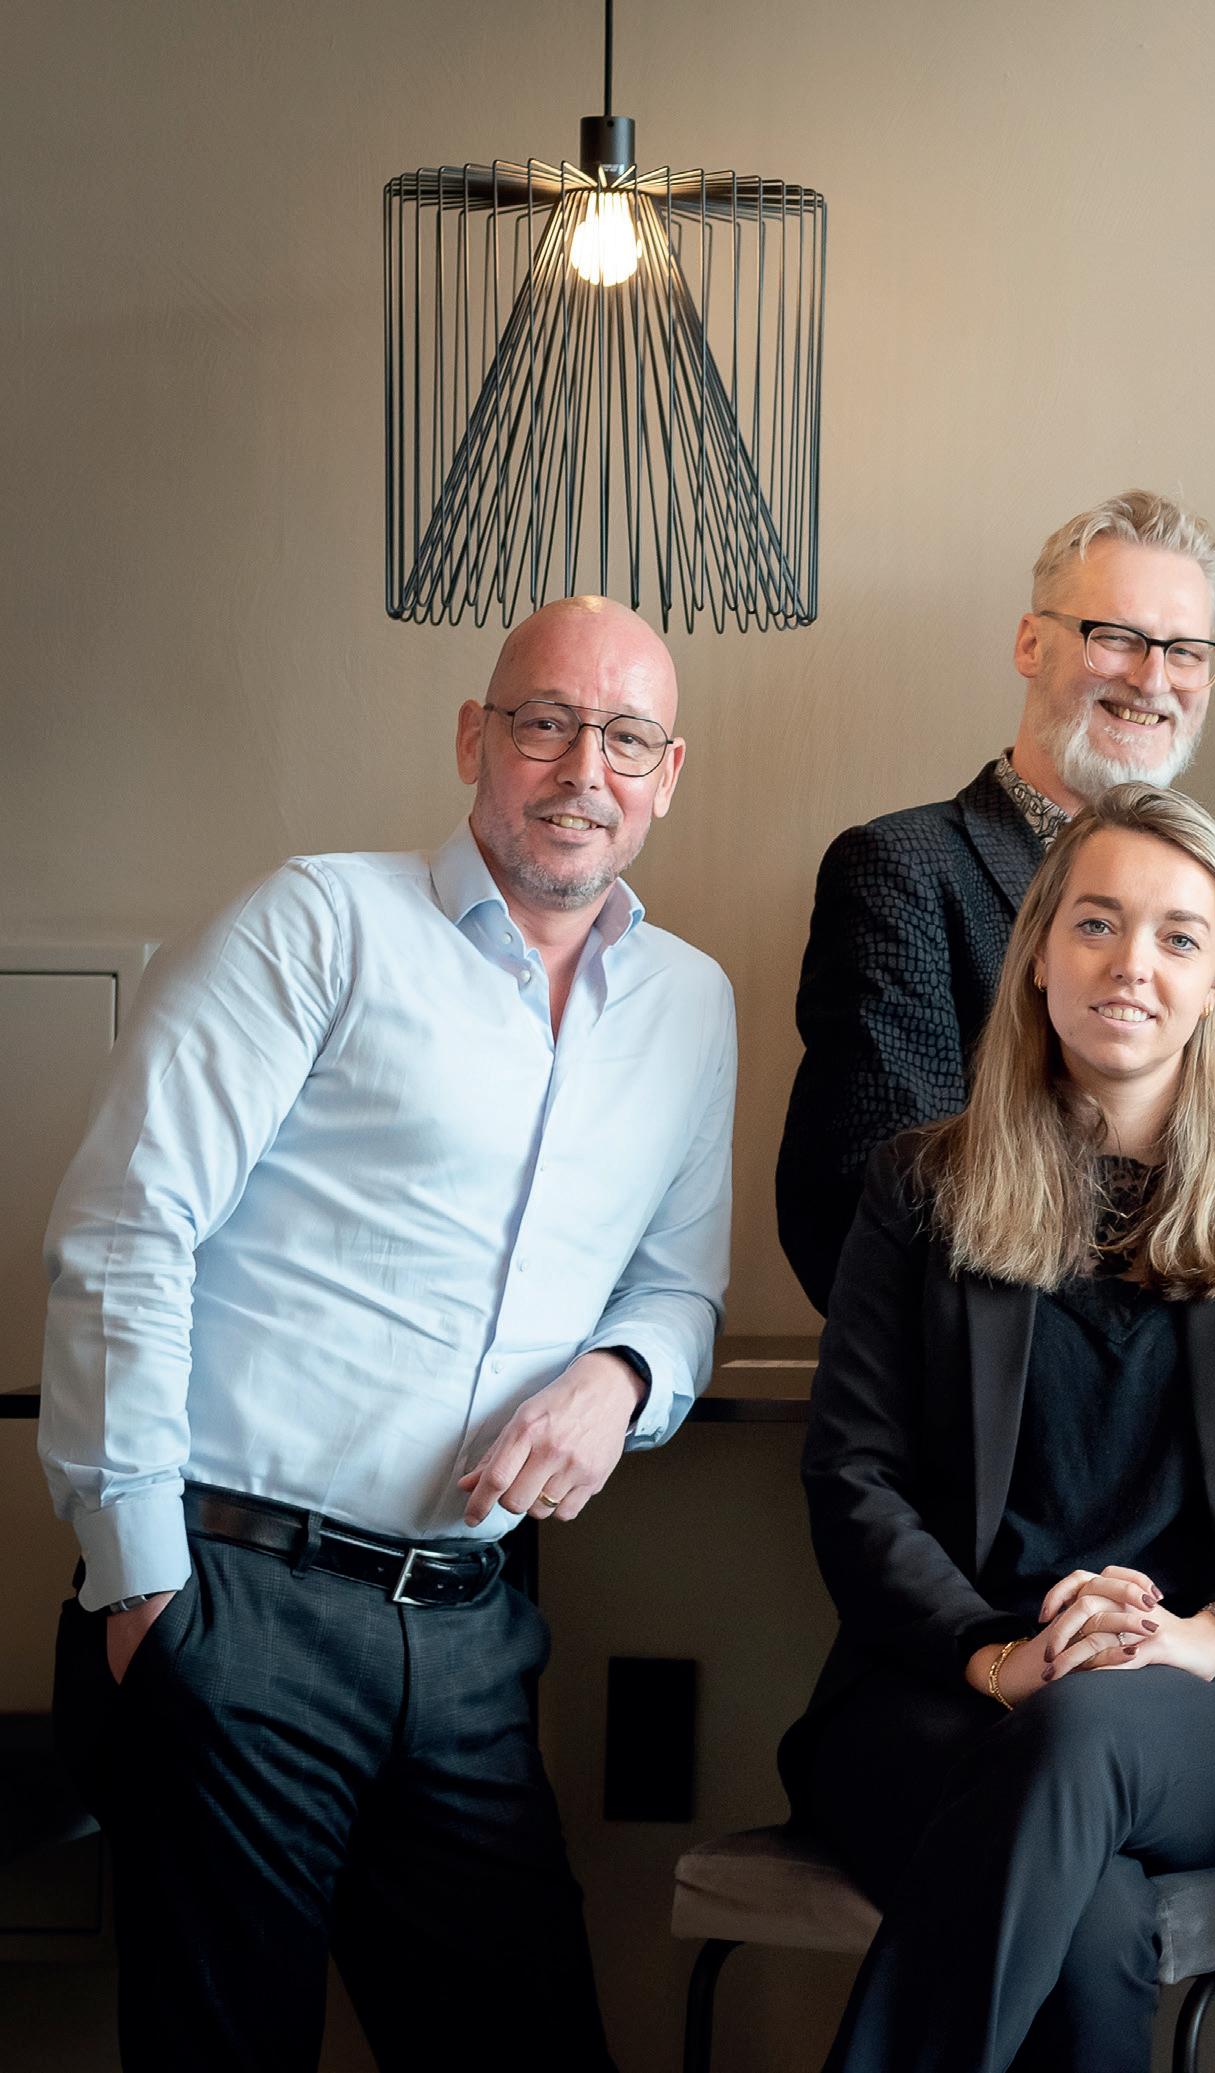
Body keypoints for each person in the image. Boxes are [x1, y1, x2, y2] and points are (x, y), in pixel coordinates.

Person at [39, 596, 735, 2071]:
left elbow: (679, 1288)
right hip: (235, 1597)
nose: (583, 771)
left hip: (472, 1631)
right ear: (476, 737)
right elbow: (126, 1228)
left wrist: (620, 1378)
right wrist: (144, 1589)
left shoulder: (690, 1005)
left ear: (669, 774)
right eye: (545, 724)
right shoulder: (319, 922)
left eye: (625, 739)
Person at [780, 783, 1215, 2073]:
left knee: (1087, 1732)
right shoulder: (918, 1188)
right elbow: (853, 1474)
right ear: (1040, 955)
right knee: (1093, 1914)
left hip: (1198, 1705)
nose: (1132, 965)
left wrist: (1209, 1638)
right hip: (940, 1693)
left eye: (1179, 936)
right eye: (1097, 924)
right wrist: (996, 1655)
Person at [776, 489, 1215, 1309]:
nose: (1152, 678)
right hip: (972, 1372)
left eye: (1185, 651)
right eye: (1116, 636)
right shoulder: (903, 872)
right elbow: (867, 1206)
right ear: (1031, 643)